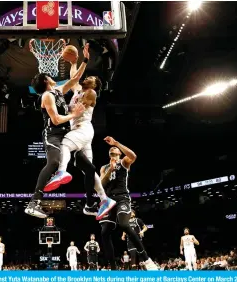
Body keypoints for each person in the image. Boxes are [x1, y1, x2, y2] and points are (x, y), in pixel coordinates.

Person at [42, 56, 116, 220]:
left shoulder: (91, 93)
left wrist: (63, 99)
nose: (87, 78)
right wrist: (74, 62)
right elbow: (74, 77)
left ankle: (61, 171)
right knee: (87, 169)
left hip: (82, 129)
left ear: (94, 85)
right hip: (83, 135)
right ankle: (104, 199)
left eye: (90, 78)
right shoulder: (79, 91)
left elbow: (77, 107)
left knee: (65, 145)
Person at [24, 45, 90, 218]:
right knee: (53, 162)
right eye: (48, 76)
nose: (51, 76)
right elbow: (55, 120)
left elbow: (75, 78)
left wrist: (83, 60)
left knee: (84, 163)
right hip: (52, 133)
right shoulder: (46, 96)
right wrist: (73, 114)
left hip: (65, 135)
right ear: (46, 80)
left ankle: (92, 201)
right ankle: (34, 202)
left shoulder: (58, 91)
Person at [98, 136, 158, 270]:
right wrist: (110, 170)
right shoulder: (104, 167)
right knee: (104, 233)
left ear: (119, 152)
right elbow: (101, 183)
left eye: (115, 149)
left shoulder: (124, 162)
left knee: (124, 224)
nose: (112, 149)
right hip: (109, 201)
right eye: (111, 148)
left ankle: (147, 260)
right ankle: (113, 268)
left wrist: (116, 143)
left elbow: (133, 156)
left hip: (122, 198)